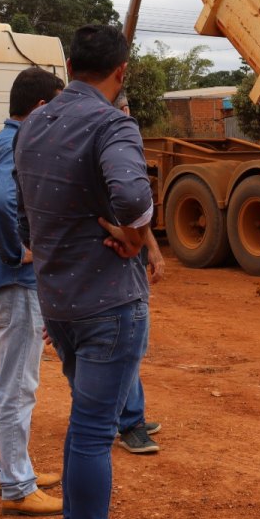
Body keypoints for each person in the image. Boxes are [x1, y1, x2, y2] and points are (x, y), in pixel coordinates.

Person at [16, 25, 156, 519]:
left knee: (85, 424)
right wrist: (136, 236)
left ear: (70, 66)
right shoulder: (111, 124)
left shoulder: (34, 125)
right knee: (95, 432)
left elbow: (25, 221)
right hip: (110, 306)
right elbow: (131, 195)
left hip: (58, 303)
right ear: (121, 73)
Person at [0, 66, 65, 516]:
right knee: (18, 384)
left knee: (14, 380)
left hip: (4, 278)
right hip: (13, 280)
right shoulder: (17, 143)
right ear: (42, 108)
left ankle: (17, 466)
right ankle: (16, 484)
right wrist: (18, 252)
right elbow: (0, 202)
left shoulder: (0, 141)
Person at [113, 90, 162, 455]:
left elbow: (141, 213)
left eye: (130, 107)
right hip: (112, 262)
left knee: (135, 343)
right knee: (125, 342)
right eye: (122, 108)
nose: (128, 114)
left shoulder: (128, 147)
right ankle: (128, 423)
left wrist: (155, 253)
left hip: (130, 262)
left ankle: (132, 414)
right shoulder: (108, 149)